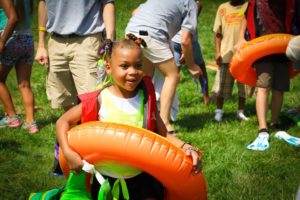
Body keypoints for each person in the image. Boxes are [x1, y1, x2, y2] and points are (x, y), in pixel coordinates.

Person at [56, 38, 203, 199]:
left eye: (138, 65)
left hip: (141, 176)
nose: (133, 71)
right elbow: (63, 121)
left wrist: (187, 147)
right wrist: (68, 152)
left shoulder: (145, 99)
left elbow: (163, 135)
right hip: (106, 178)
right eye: (124, 66)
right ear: (108, 67)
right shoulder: (101, 99)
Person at [125, 0, 202, 133]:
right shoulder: (191, 3)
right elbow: (185, 40)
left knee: (145, 78)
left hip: (132, 33)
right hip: (150, 37)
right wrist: (192, 66)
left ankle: (140, 118)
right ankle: (164, 123)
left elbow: (134, 12)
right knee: (172, 75)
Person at [235, 0, 299, 151]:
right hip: (261, 49)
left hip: (283, 49)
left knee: (279, 89)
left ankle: (274, 123)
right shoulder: (255, 2)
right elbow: (245, 16)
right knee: (263, 86)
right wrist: (240, 38)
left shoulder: (291, 3)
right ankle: (262, 128)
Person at [35, 0, 115, 111]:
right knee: (63, 96)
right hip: (56, 41)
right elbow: (43, 3)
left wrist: (109, 40)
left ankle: (92, 126)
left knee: (93, 97)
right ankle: (76, 125)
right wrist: (41, 45)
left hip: (87, 40)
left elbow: (107, 2)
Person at [0, 0, 39, 133]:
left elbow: (13, 18)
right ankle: (31, 122)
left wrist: (1, 41)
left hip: (11, 38)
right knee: (24, 84)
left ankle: (11, 116)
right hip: (27, 39)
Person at [213, 0, 249, 122]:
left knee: (243, 87)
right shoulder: (222, 8)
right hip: (225, 54)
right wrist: (218, 52)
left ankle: (241, 112)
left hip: (244, 55)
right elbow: (218, 33)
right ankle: (219, 111)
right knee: (221, 86)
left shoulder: (248, 6)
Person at [171, 0, 210, 105]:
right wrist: (186, 51)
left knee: (173, 73)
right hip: (186, 42)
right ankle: (168, 99)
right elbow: (189, 30)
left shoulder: (177, 4)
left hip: (179, 41)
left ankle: (206, 97)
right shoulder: (195, 5)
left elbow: (189, 25)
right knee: (174, 73)